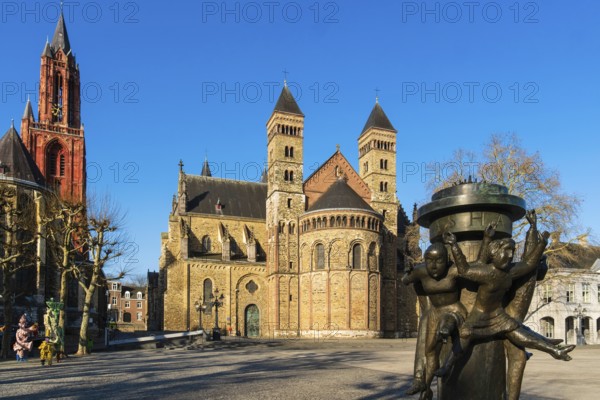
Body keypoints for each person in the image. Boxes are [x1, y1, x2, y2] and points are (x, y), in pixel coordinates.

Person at [435, 210, 575, 377]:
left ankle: (554, 350)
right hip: (479, 315)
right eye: (505, 252)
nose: (509, 256)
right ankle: (447, 366)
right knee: (465, 334)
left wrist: (541, 242)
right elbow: (464, 269)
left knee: (517, 332)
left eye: (511, 252)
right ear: (494, 254)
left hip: (498, 315)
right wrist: (454, 245)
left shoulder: (510, 272)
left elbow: (529, 263)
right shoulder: (486, 272)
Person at [402, 242, 467, 400]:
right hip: (434, 312)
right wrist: (408, 271)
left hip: (453, 310)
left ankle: (444, 365)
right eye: (429, 260)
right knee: (429, 351)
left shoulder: (454, 271)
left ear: (447, 260)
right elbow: (405, 280)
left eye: (439, 261)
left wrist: (455, 246)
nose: (434, 265)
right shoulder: (421, 271)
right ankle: (424, 385)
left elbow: (469, 269)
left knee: (444, 327)